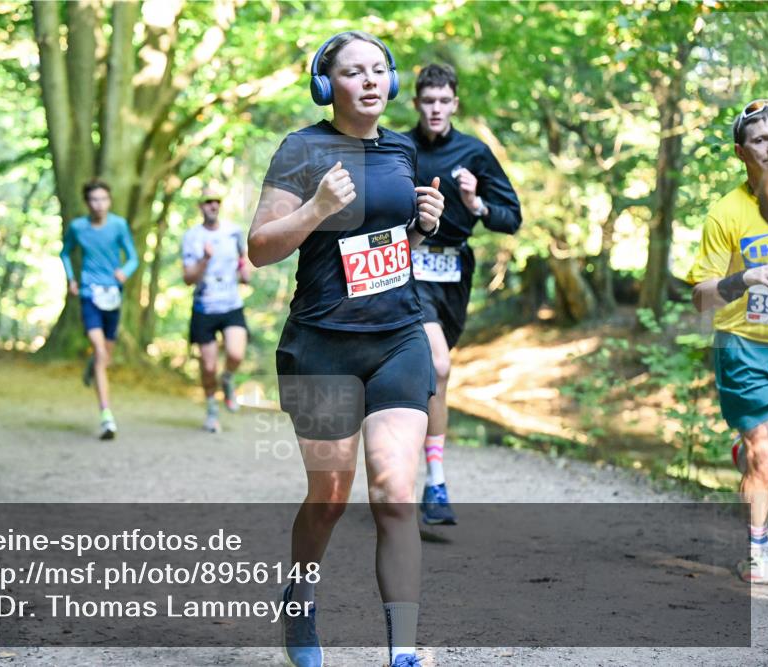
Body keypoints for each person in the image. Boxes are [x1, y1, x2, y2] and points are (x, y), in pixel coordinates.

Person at [249, 31, 443, 667]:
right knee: (330, 497)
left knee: (394, 491)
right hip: (323, 345)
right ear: (326, 84)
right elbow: (261, 247)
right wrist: (315, 208)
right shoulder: (302, 148)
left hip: (398, 337)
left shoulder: (404, 149)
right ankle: (301, 599)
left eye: (379, 70)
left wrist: (424, 220)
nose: (369, 80)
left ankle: (404, 652)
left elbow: (392, 238)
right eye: (353, 71)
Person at [404, 64, 523, 526]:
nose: (435, 109)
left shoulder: (475, 153)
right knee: (437, 364)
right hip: (405, 264)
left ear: (455, 104)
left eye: (443, 101)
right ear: (416, 104)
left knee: (431, 372)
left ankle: (407, 454)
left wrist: (476, 205)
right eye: (427, 101)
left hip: (454, 272)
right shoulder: (398, 146)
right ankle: (434, 481)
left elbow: (511, 217)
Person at [688, 99, 768, 584]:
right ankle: (758, 551)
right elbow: (701, 298)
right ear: (742, 153)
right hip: (743, 344)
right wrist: (747, 278)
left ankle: (747, 453)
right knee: (765, 452)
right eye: (761, 140)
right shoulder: (726, 213)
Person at [60, 179, 139, 440]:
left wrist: (124, 272)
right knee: (100, 350)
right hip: (89, 294)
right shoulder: (78, 228)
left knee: (105, 356)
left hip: (113, 296)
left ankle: (93, 365)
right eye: (94, 200)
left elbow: (133, 257)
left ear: (110, 201)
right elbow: (65, 253)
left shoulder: (118, 225)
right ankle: (106, 416)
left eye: (103, 199)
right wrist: (71, 278)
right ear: (87, 202)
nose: (99, 204)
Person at [182, 185, 251, 433]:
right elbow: (187, 278)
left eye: (217, 202)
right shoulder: (191, 237)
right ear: (200, 207)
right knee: (208, 366)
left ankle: (228, 379)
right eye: (208, 202)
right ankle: (212, 410)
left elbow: (244, 261)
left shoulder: (233, 232)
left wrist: (245, 273)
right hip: (204, 307)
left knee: (235, 355)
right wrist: (204, 259)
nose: (213, 206)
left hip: (231, 304)